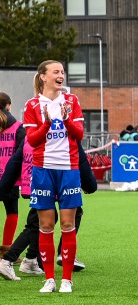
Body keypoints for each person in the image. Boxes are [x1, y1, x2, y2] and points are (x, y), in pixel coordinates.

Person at [21, 61, 84, 293]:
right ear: (43, 77)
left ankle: (66, 279)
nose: (61, 75)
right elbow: (33, 140)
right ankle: (49, 279)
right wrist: (47, 123)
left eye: (62, 72)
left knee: (68, 224)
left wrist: (66, 119)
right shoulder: (32, 105)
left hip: (69, 169)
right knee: (46, 225)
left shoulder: (72, 101)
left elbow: (79, 135)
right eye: (56, 72)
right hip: (42, 170)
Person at [0, 137, 95, 279]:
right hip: (52, 181)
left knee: (42, 220)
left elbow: (15, 161)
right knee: (38, 223)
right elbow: (80, 159)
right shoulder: (65, 135)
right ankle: (8, 260)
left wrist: (4, 187)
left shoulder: (31, 135)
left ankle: (31, 259)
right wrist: (90, 185)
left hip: (34, 182)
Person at [0, 92, 25, 260]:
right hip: (10, 178)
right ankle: (6, 251)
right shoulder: (18, 126)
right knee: (12, 213)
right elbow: (21, 154)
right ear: (8, 105)